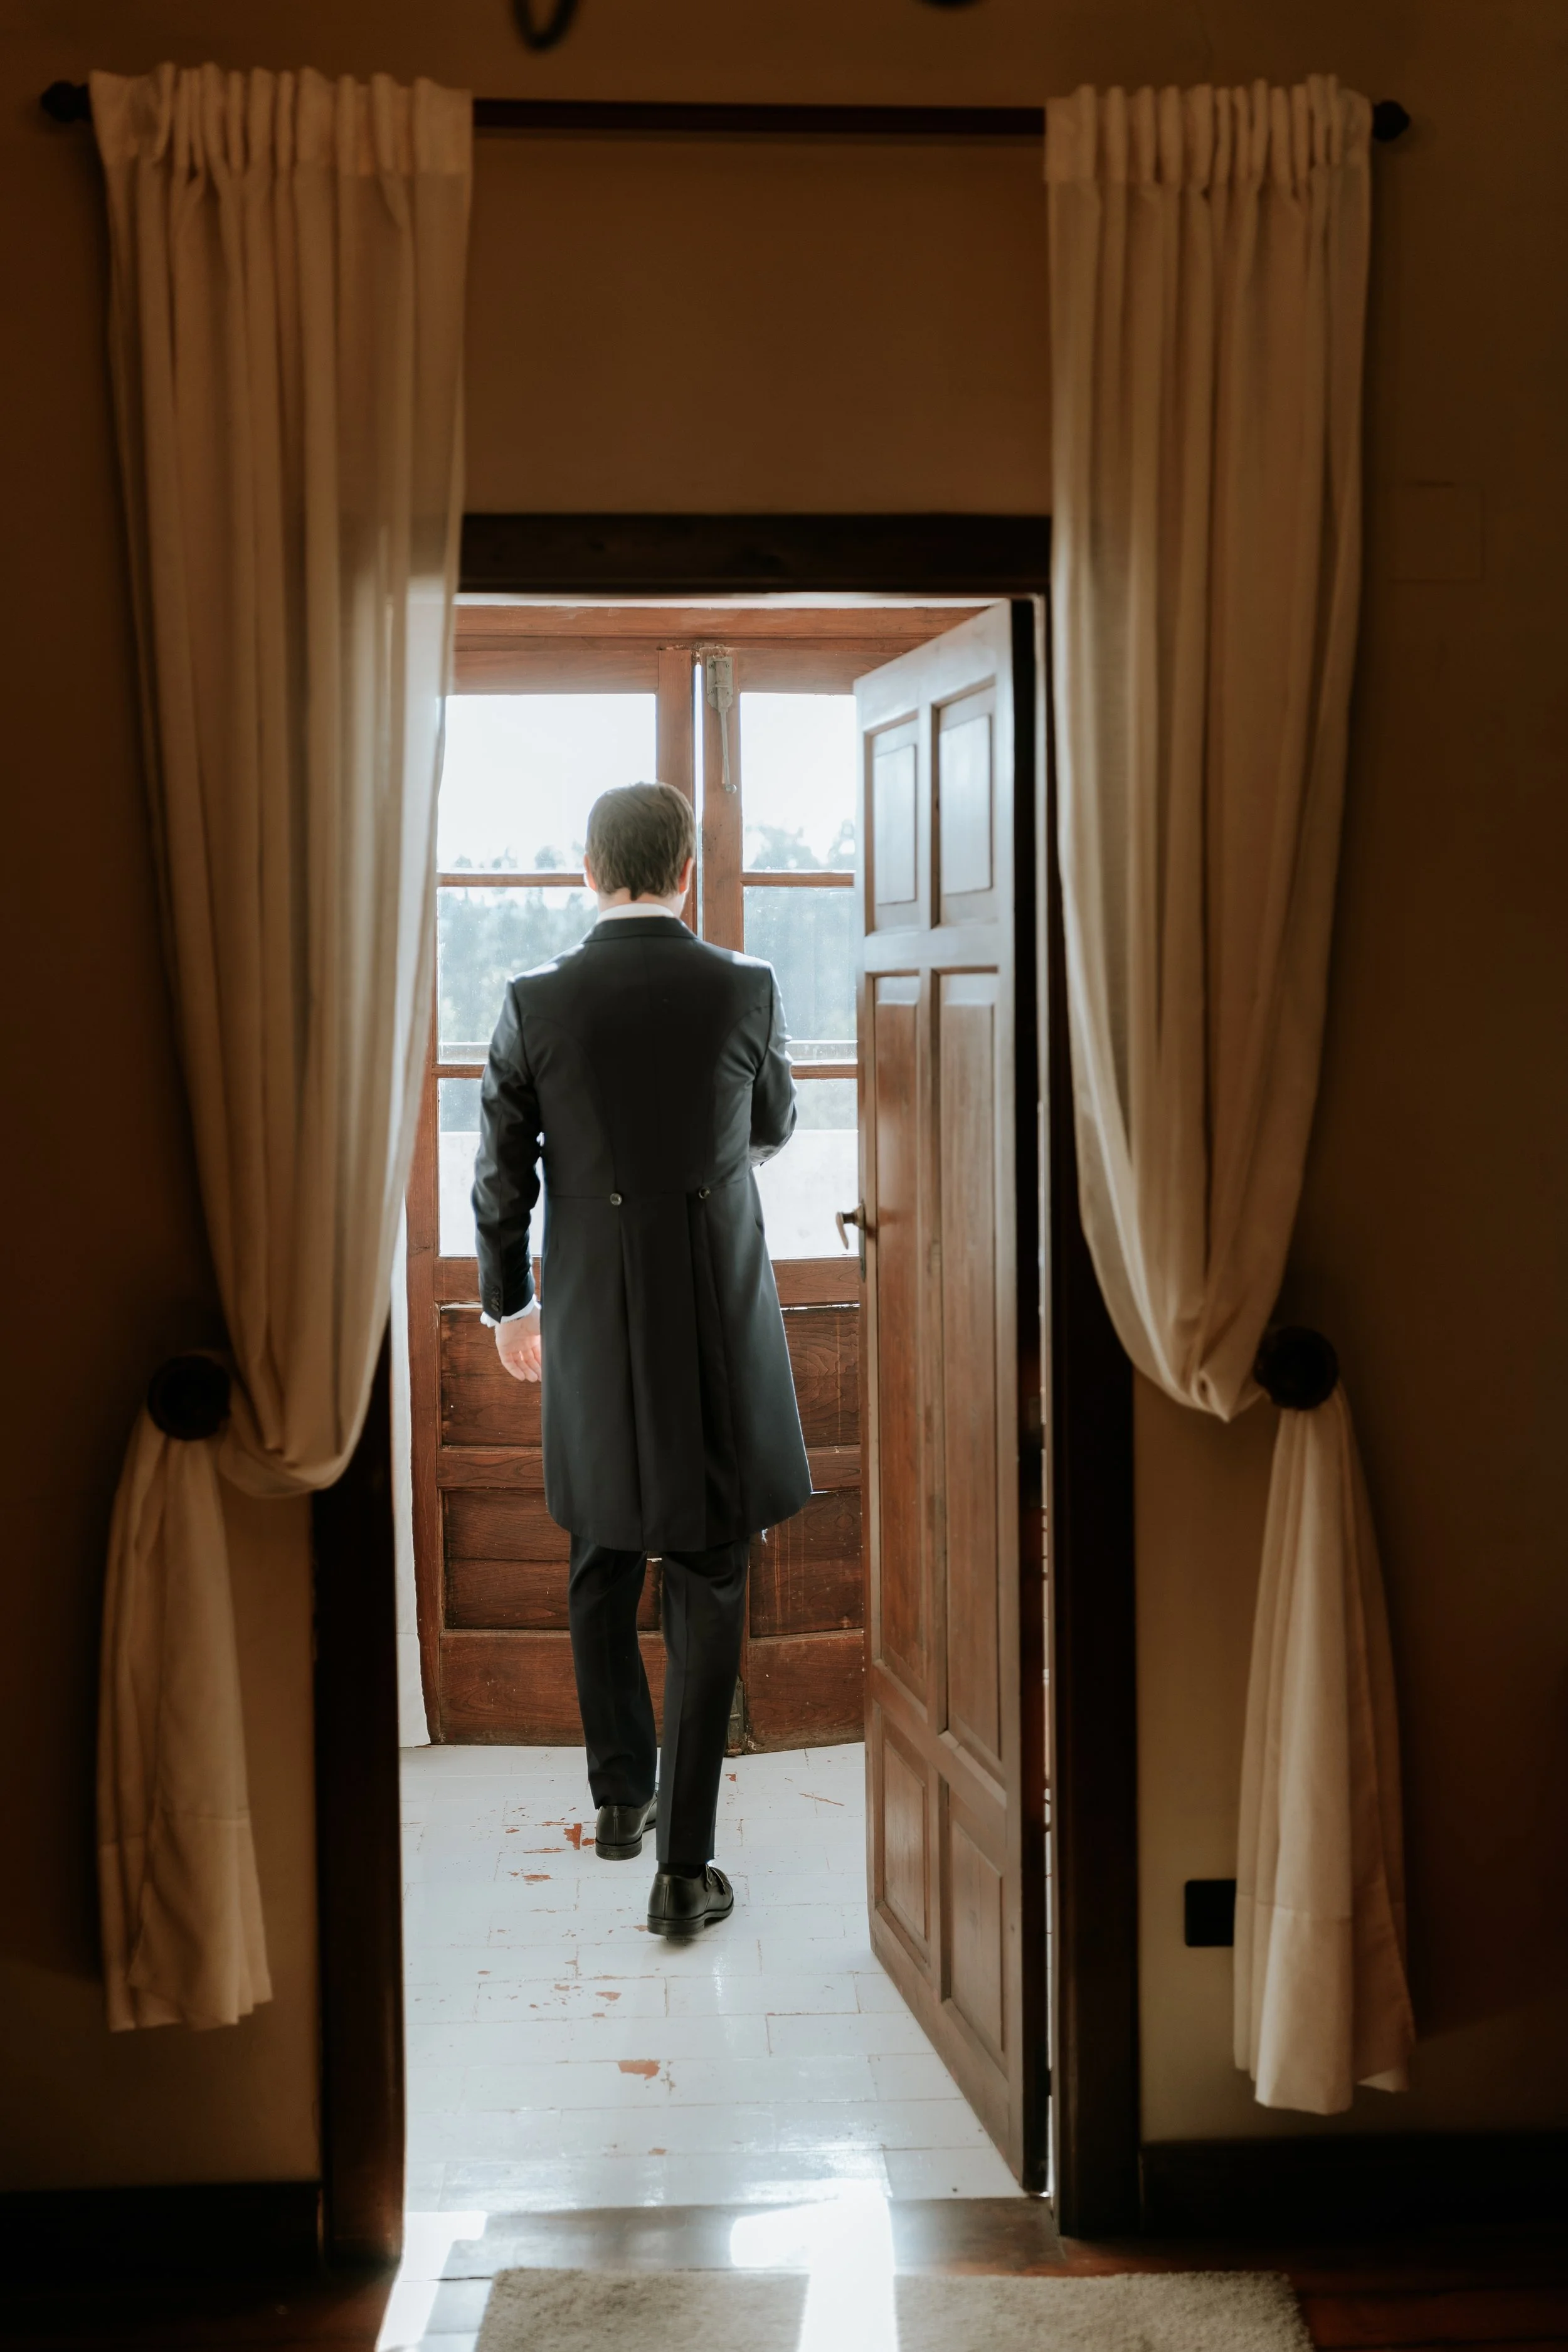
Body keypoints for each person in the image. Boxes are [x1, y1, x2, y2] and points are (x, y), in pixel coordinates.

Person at [472, 781, 812, 1934]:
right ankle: (685, 1867)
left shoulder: (533, 999)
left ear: (586, 868)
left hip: (587, 1315)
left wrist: (507, 1306)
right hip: (712, 1306)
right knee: (711, 1577)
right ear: (686, 873)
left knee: (601, 1553)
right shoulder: (746, 987)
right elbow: (770, 1126)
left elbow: (501, 1175)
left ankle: (621, 1801)